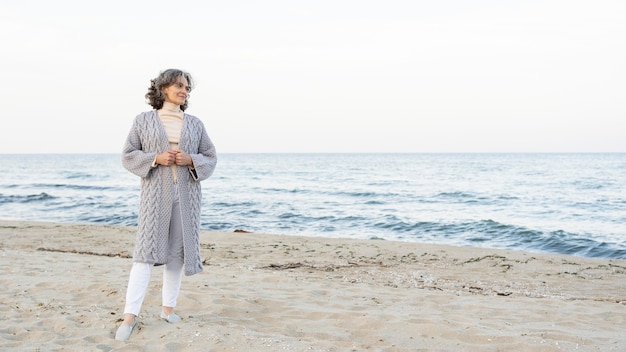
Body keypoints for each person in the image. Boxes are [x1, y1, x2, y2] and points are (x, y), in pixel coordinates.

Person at [115, 69, 217, 341]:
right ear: (163, 88)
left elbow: (210, 156)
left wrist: (191, 160)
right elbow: (128, 155)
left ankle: (168, 310)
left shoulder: (195, 123)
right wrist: (156, 158)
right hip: (154, 196)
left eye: (187, 88)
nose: (184, 91)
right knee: (144, 255)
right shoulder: (144, 120)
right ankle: (129, 317)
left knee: (176, 255)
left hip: (187, 196)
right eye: (180, 86)